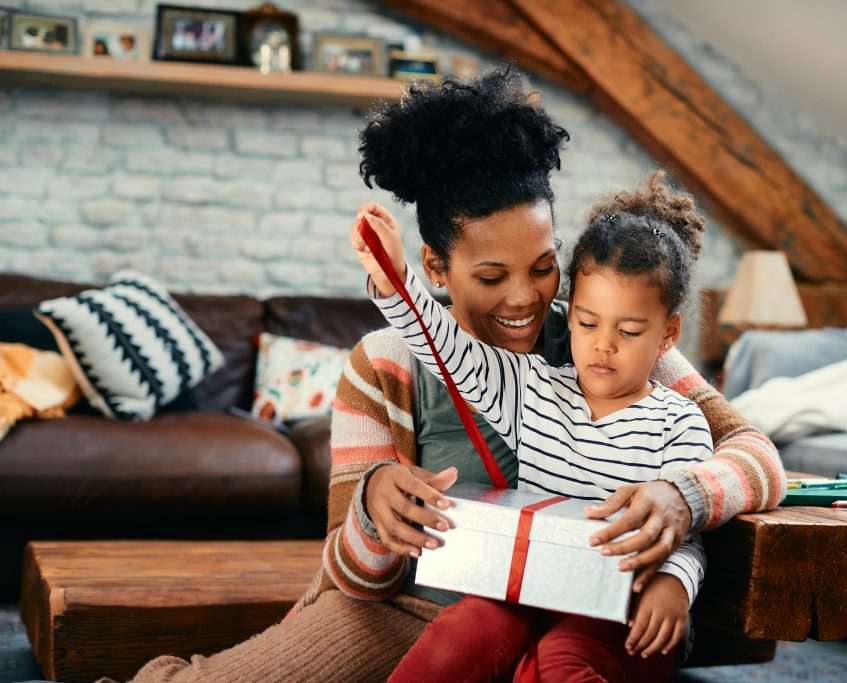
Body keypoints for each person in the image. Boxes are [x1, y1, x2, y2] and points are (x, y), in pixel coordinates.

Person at [120, 67, 784, 683]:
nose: (526, 298)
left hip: (583, 617)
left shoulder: (601, 337)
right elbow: (352, 573)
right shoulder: (383, 364)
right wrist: (375, 507)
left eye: (544, 265)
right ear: (436, 269)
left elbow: (756, 455)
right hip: (409, 614)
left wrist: (682, 495)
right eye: (492, 276)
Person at [352, 171, 713, 681]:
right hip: (530, 589)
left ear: (668, 333)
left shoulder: (679, 421)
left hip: (622, 607)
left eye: (629, 331)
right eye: (587, 323)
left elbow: (688, 527)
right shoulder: (531, 387)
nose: (603, 344)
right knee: (464, 629)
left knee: (557, 662)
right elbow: (445, 348)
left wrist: (675, 582)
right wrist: (395, 279)